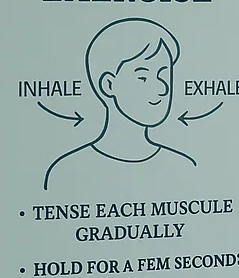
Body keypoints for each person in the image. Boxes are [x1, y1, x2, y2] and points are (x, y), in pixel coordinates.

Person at [44, 18, 195, 190]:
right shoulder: (66, 172)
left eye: (164, 74)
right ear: (109, 85)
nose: (162, 87)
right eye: (143, 77)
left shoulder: (183, 168)